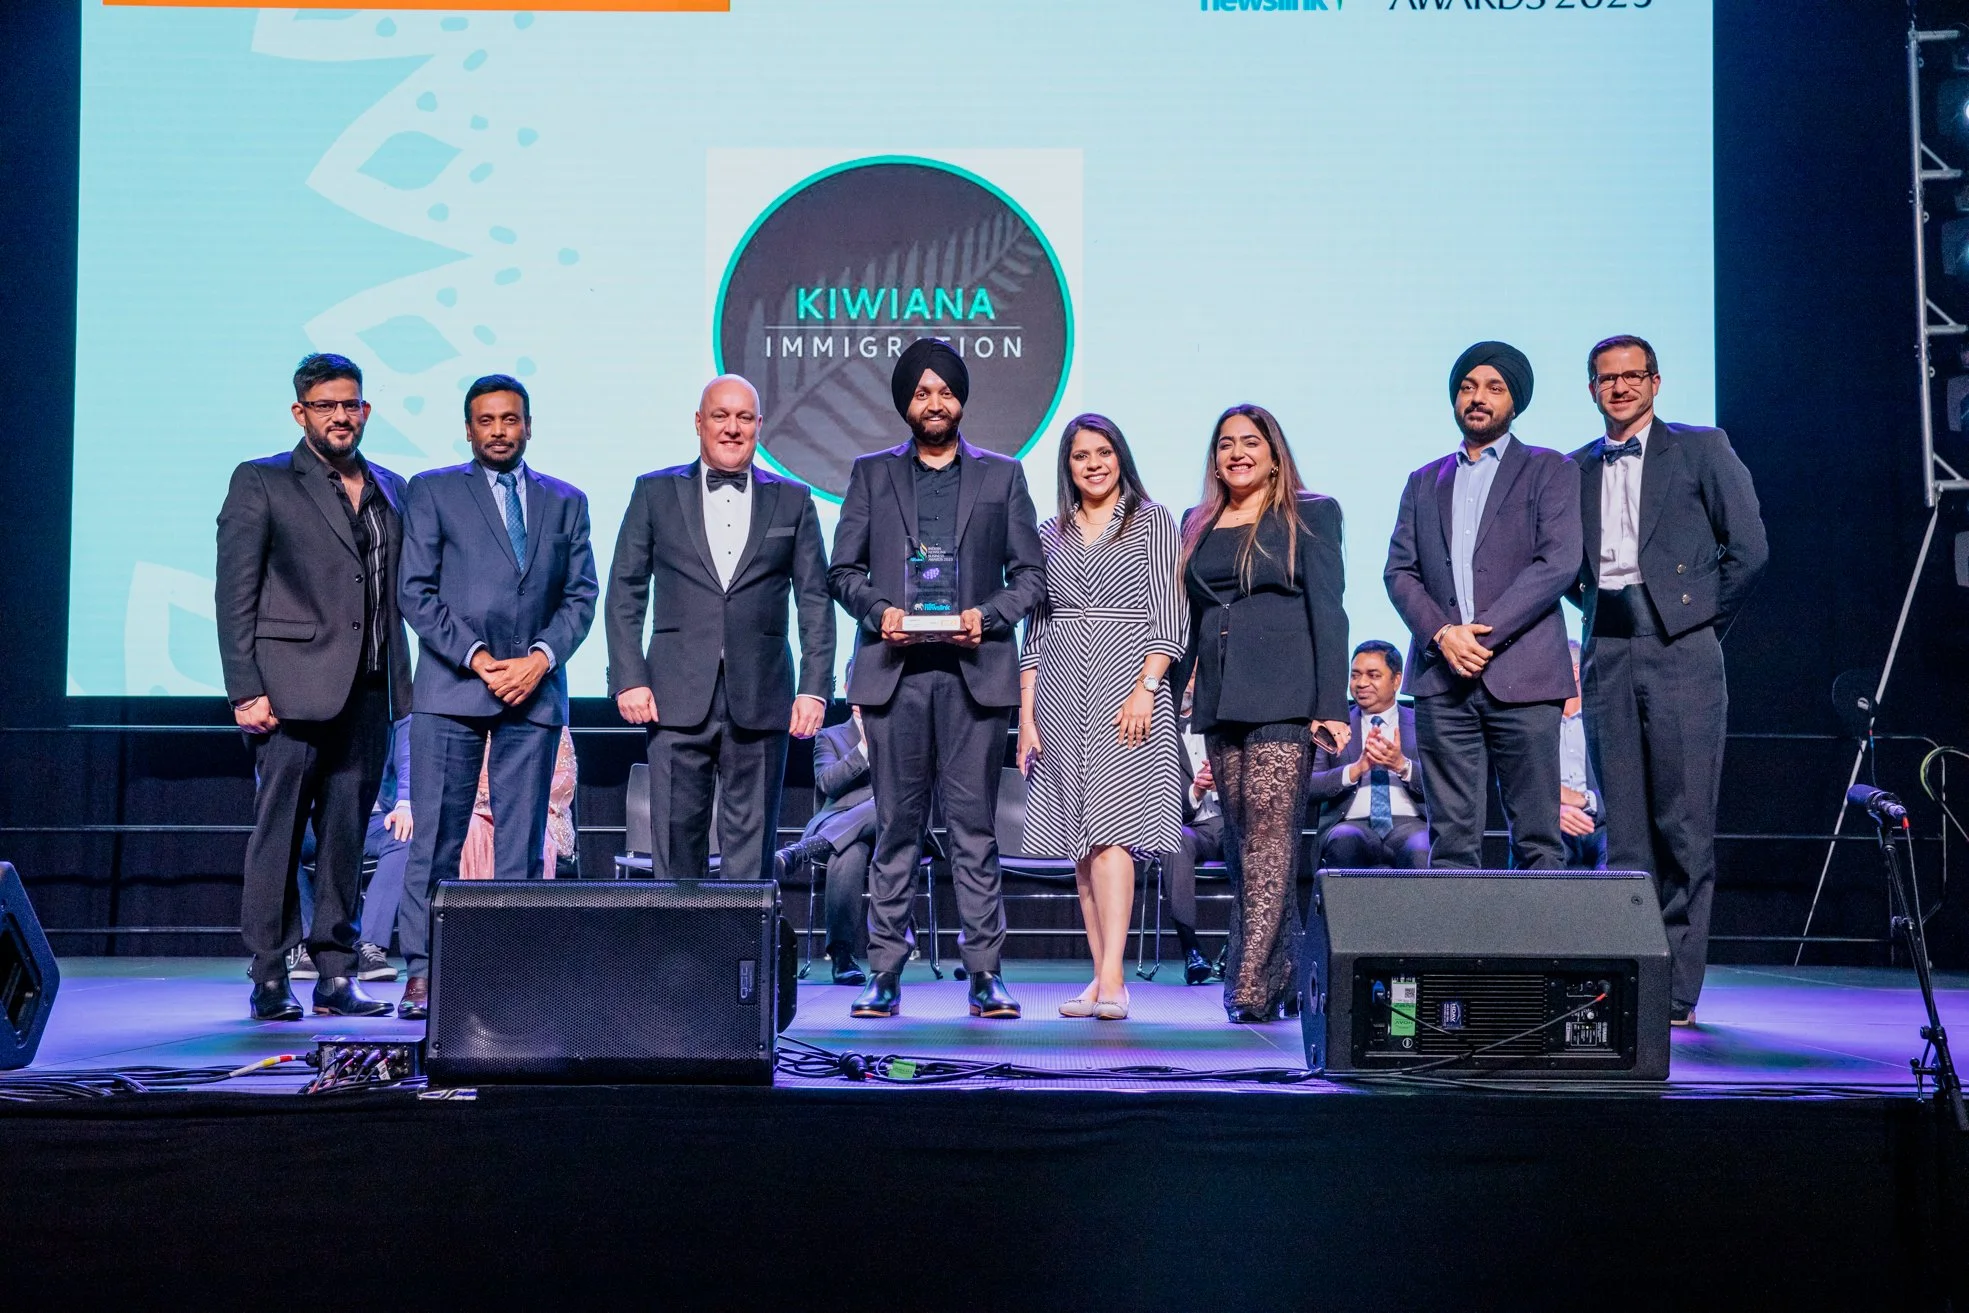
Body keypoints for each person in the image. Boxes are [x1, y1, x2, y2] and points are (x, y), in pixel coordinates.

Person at [827, 338, 1046, 1020]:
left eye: (944, 391)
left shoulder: (1002, 477)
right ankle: (885, 972)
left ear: (961, 399)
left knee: (974, 831)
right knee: (894, 828)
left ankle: (984, 974)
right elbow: (843, 572)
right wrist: (880, 611)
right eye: (921, 392)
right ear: (905, 403)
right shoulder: (869, 474)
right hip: (894, 675)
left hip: (972, 676)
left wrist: (985, 617)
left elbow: (1031, 577)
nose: (934, 402)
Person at [1570, 334, 1767, 1024]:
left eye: (1631, 377)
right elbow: (1568, 567)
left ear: (1654, 382)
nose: (1618, 388)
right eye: (1605, 379)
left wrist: (1695, 624)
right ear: (1589, 388)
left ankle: (1678, 990)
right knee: (1622, 829)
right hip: (1606, 647)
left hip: (1680, 645)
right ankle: (1631, 976)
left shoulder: (1700, 447)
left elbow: (1748, 549)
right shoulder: (1573, 467)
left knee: (1682, 824)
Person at [394, 374, 598, 1021]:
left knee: (521, 846)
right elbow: (415, 592)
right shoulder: (431, 490)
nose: (499, 430)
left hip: (533, 695)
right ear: (468, 428)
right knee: (436, 840)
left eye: (510, 419)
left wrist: (537, 659)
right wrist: (481, 659)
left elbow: (581, 595)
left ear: (528, 425)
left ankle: (511, 969)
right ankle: (424, 972)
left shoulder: (565, 500)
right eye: (486, 420)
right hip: (452, 689)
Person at [216, 351, 405, 1021]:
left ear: (366, 409)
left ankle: (335, 972)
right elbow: (234, 593)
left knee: (347, 839)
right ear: (301, 412)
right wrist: (245, 688)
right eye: (326, 405)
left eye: (350, 404)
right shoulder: (263, 480)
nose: (340, 416)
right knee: (279, 836)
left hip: (369, 690)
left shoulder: (391, 485)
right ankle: (269, 972)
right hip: (289, 691)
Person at [605, 374, 833, 883]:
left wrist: (815, 689)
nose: (732, 428)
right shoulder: (654, 492)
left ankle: (742, 962)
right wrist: (629, 676)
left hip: (763, 697)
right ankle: (676, 963)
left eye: (744, 418)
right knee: (673, 845)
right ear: (699, 423)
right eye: (720, 416)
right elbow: (625, 590)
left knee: (751, 859)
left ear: (759, 425)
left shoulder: (793, 500)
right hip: (672, 696)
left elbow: (814, 600)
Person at [1178, 403, 1349, 1024]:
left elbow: (1330, 611)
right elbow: (1187, 618)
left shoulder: (1312, 513)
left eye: (1251, 442)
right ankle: (1288, 976)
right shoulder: (1199, 522)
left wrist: (1332, 705)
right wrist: (1169, 691)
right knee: (1245, 839)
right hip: (1223, 697)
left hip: (1286, 690)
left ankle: (1247, 981)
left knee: (1273, 838)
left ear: (1275, 453)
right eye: (1225, 444)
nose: (1237, 453)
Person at [1385, 342, 1582, 870]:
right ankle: (1456, 954)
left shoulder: (1550, 470)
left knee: (1538, 837)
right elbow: (1399, 572)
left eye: (1494, 388)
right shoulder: (1424, 480)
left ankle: (1541, 955)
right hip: (1440, 679)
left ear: (1514, 401)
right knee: (1451, 843)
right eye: (1468, 387)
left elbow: (1557, 564)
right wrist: (1444, 636)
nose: (1478, 398)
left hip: (1526, 678)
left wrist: (1478, 637)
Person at [1018, 414, 1187, 1021]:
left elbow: (1171, 615)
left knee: (1116, 835)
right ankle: (1100, 975)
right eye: (1080, 455)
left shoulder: (1153, 521)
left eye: (1104, 452)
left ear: (1121, 457)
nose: (1094, 463)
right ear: (1066, 466)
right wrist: (1029, 715)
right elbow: (1035, 630)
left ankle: (1114, 978)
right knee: (1082, 845)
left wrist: (1146, 686)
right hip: (1064, 689)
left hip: (1126, 685)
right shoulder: (1048, 532)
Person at [289, 713, 413, 982]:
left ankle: (369, 946)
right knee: (281, 842)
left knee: (405, 837)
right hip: (315, 819)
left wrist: (405, 803)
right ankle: (314, 944)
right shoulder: (314, 702)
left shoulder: (393, 704)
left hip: (373, 818)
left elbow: (408, 755)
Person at [774, 702, 875, 985]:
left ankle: (801, 851)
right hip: (839, 826)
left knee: (885, 804)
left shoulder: (902, 729)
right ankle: (842, 955)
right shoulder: (830, 736)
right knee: (848, 851)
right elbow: (828, 783)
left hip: (893, 825)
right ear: (851, 697)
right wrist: (864, 749)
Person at [1307, 640, 1430, 869]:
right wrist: (1354, 770)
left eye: (1373, 675)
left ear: (1396, 680)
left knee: (1422, 848)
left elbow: (1442, 783)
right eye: (1355, 675)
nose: (1361, 683)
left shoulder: (1422, 723)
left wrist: (1402, 766)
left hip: (1409, 823)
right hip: (1351, 822)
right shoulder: (1334, 727)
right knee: (1344, 842)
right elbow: (1309, 785)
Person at [1164, 677, 1225, 985]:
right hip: (1190, 825)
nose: (1188, 685)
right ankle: (1192, 951)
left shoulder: (1226, 722)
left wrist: (1223, 782)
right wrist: (1196, 791)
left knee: (1258, 848)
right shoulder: (1158, 730)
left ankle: (1236, 950)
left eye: (1195, 678)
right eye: (1184, 677)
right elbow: (1152, 794)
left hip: (1232, 822)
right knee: (1174, 841)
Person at [459, 725, 578, 879]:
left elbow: (564, 780)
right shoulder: (465, 720)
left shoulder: (547, 719)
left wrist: (508, 794)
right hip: (475, 807)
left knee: (519, 827)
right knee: (468, 826)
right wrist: (481, 794)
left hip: (533, 809)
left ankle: (509, 900)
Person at [1559, 641, 1607, 870]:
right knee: (1542, 855)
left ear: (1575, 671)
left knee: (1618, 860)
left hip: (1602, 825)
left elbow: (1625, 787)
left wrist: (1583, 800)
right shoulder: (1538, 724)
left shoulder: (1602, 720)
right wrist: (1554, 810)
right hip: (1555, 825)